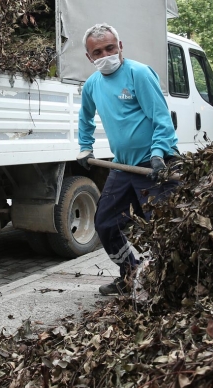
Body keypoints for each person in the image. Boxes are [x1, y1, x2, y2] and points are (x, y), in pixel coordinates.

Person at [76, 23, 179, 296]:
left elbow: (161, 119)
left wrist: (158, 155)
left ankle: (168, 284)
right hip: (122, 166)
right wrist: (85, 147)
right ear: (89, 57)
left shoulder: (139, 74)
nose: (105, 54)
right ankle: (130, 273)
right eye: (97, 52)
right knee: (106, 224)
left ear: (120, 46)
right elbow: (84, 118)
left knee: (160, 229)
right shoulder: (92, 85)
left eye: (110, 48)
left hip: (155, 165)